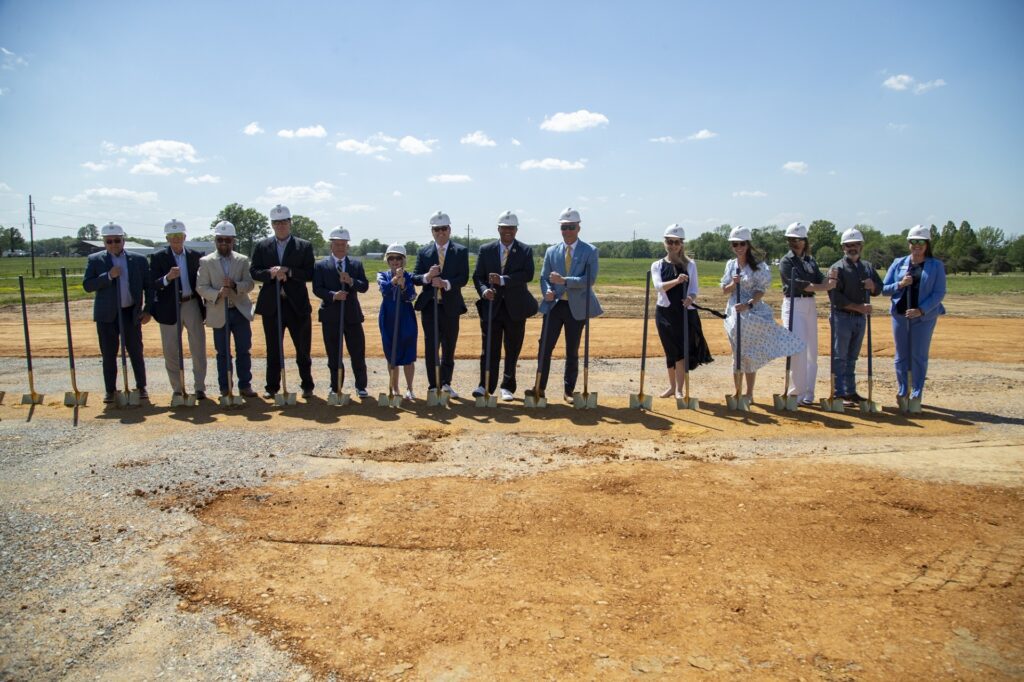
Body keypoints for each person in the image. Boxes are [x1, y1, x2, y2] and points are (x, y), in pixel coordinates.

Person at [720, 226, 804, 402]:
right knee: (737, 354)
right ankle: (737, 392)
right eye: (735, 244)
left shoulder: (758, 266)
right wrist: (733, 284)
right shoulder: (730, 265)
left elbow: (760, 290)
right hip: (733, 313)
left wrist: (749, 304)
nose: (738, 247)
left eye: (742, 244)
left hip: (752, 313)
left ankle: (749, 393)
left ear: (748, 244)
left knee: (749, 354)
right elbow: (724, 290)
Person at [531, 207, 602, 402]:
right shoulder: (551, 251)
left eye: (571, 227)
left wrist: (564, 281)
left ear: (579, 228)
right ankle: (539, 387)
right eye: (564, 227)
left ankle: (569, 391)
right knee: (544, 347)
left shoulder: (590, 251)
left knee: (572, 350)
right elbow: (544, 277)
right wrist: (546, 291)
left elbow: (590, 280)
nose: (567, 231)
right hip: (554, 306)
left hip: (576, 308)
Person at [471, 210, 539, 401]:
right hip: (491, 308)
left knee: (512, 349)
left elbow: (527, 275)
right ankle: (485, 385)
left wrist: (503, 280)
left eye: (511, 228)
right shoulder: (486, 249)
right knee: (489, 349)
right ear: (498, 229)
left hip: (515, 309)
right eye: (504, 227)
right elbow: (478, 277)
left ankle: (507, 386)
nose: (508, 231)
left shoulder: (525, 250)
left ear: (516, 230)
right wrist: (484, 290)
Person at [250, 204, 316, 399]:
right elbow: (254, 271)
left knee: (302, 348)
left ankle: (307, 385)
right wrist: (270, 273)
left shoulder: (303, 246)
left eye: (284, 222)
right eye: (276, 223)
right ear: (272, 224)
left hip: (297, 305)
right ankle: (272, 387)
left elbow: (310, 273)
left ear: (290, 223)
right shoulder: (262, 246)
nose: (280, 226)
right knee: (273, 349)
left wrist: (289, 271)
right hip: (273, 305)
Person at [82, 222, 153, 403]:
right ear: (104, 242)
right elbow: (88, 285)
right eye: (109, 241)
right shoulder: (95, 260)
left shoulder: (138, 260)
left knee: (136, 351)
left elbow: (149, 286)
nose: (113, 244)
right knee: (108, 354)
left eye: (117, 240)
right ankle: (110, 390)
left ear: (123, 240)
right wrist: (108, 276)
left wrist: (147, 310)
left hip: (130, 313)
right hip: (107, 316)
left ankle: (141, 387)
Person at [882, 224, 946, 404]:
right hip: (900, 316)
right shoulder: (899, 263)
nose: (917, 245)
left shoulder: (936, 265)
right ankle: (903, 388)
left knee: (918, 354)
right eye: (913, 242)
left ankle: (917, 391)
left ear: (927, 244)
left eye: (921, 242)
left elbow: (939, 293)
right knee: (901, 355)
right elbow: (884, 289)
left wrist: (921, 310)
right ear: (909, 243)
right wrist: (900, 284)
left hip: (924, 317)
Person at [196, 220, 257, 398]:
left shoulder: (242, 260)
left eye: (228, 240)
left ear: (233, 241)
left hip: (239, 311)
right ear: (215, 240)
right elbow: (201, 287)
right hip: (218, 311)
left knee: (243, 350)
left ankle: (245, 385)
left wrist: (235, 286)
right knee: (222, 353)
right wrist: (218, 293)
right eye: (220, 240)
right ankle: (225, 387)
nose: (224, 243)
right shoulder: (206, 262)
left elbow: (250, 283)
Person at [412, 211, 469, 398]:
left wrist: (445, 283)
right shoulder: (424, 252)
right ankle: (433, 384)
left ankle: (445, 383)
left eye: (443, 228)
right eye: (436, 229)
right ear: (432, 232)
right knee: (431, 347)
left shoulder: (460, 251)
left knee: (449, 346)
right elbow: (415, 277)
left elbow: (463, 277)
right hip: (430, 307)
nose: (440, 232)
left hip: (450, 306)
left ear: (449, 230)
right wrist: (428, 277)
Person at [651, 224, 712, 398]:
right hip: (665, 313)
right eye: (670, 242)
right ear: (665, 243)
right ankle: (672, 387)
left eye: (676, 242)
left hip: (685, 313)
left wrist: (690, 298)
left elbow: (694, 289)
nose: (673, 245)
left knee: (681, 351)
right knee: (670, 350)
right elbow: (658, 286)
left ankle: (679, 389)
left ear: (682, 244)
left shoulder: (690, 265)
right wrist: (677, 281)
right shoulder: (657, 265)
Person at [149, 219, 208, 401]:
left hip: (191, 303)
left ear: (185, 236)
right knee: (171, 349)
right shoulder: (158, 258)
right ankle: (177, 388)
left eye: (179, 235)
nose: (176, 239)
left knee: (198, 346)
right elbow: (152, 284)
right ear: (167, 238)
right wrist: (167, 278)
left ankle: (199, 387)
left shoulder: (196, 256)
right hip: (169, 306)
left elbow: (203, 280)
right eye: (172, 236)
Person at [778, 222, 834, 406]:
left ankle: (809, 393)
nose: (795, 243)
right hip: (794, 303)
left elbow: (819, 278)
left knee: (812, 351)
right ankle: (795, 393)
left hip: (810, 304)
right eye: (792, 239)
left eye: (799, 239)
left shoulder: (810, 260)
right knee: (797, 349)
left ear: (805, 240)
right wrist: (825, 287)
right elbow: (800, 284)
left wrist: (831, 279)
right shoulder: (786, 261)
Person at [827, 228, 884, 406]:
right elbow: (835, 297)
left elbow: (879, 288)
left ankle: (850, 391)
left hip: (860, 319)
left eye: (856, 244)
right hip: (842, 317)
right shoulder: (837, 268)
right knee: (840, 356)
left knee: (852, 357)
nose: (852, 248)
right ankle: (838, 393)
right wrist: (858, 307)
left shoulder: (867, 267)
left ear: (861, 246)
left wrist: (872, 286)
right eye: (848, 245)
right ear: (843, 247)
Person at [313, 227, 370, 398]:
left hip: (352, 316)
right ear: (331, 245)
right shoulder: (321, 265)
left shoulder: (356, 264)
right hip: (331, 316)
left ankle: (361, 386)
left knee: (357, 353)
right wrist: (333, 295)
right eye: (336, 244)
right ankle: (335, 386)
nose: (340, 247)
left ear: (347, 246)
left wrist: (351, 281)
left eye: (343, 244)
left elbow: (364, 286)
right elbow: (317, 288)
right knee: (333, 354)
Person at [378, 244, 418, 400]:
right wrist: (394, 280)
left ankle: (410, 388)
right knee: (391, 353)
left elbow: (412, 296)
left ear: (403, 260)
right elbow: (384, 290)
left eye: (398, 258)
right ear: (387, 260)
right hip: (388, 315)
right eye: (391, 258)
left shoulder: (409, 276)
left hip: (405, 316)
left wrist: (404, 285)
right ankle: (394, 388)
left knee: (408, 352)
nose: (395, 261)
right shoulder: (382, 275)